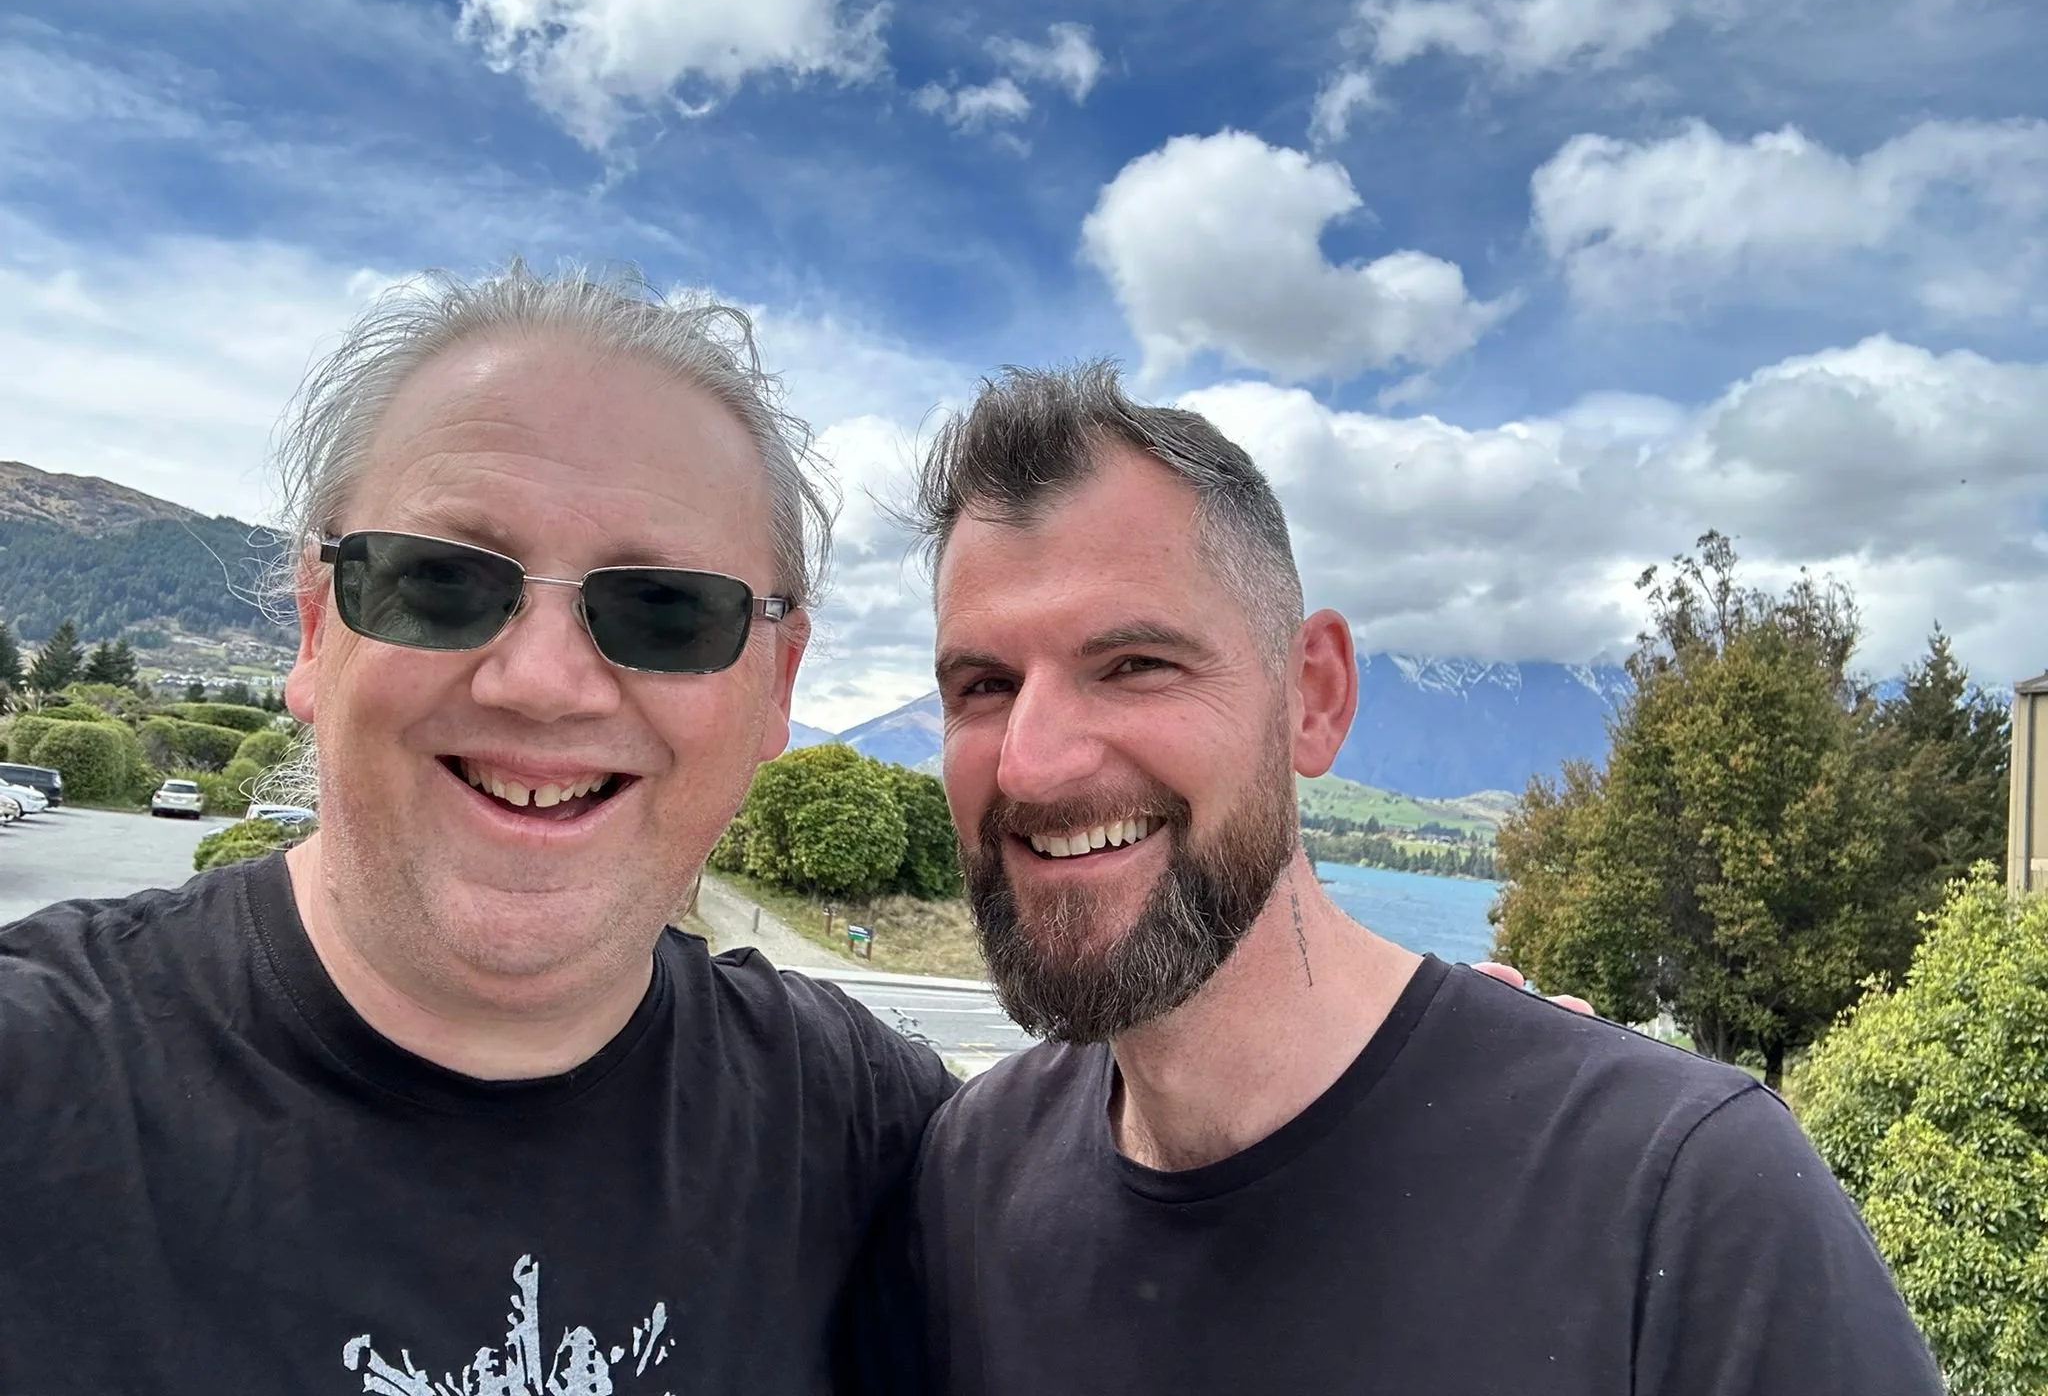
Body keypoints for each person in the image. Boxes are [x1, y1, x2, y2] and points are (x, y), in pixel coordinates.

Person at [890, 363, 1944, 1394]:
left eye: (1133, 666)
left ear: (1312, 698)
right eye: (982, 685)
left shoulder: (1681, 1195)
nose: (1029, 762)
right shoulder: (972, 1177)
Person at [0, 266, 954, 1393]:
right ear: (315, 631)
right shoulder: (36, 1084)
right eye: (440, 581)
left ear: (774, 684)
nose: (542, 683)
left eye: (665, 607)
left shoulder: (870, 1134)